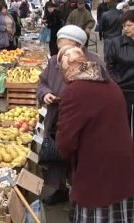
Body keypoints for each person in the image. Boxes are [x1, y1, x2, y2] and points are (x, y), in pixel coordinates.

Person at [56, 45, 134, 222]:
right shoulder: (111, 84)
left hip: (96, 170)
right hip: (123, 167)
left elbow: (65, 142)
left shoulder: (74, 91)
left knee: (96, 212)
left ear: (67, 67)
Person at [37, 25, 106, 206]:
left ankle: (80, 198)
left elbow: (102, 93)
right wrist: (45, 94)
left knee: (79, 161)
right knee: (57, 157)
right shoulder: (54, 61)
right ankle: (61, 190)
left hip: (83, 121)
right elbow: (42, 83)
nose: (59, 48)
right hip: (57, 117)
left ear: (77, 44)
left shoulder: (95, 63)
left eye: (63, 43)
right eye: (58, 43)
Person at [105, 10, 134, 138]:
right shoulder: (116, 43)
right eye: (124, 26)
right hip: (123, 89)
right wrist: (116, 82)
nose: (125, 29)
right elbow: (109, 66)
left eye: (129, 25)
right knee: (123, 125)